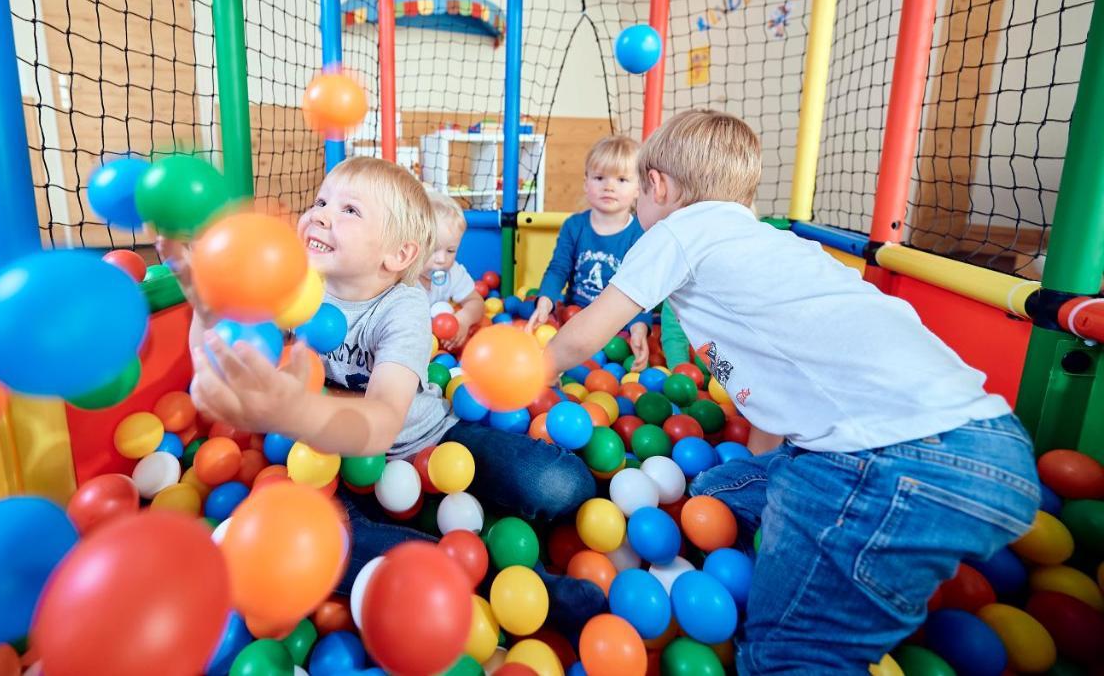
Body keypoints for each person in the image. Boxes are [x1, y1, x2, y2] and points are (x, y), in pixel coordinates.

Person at [544, 110, 1038, 672]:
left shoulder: (681, 229)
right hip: (994, 450)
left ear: (656, 186)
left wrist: (531, 375)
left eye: (637, 202)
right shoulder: (779, 246)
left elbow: (583, 336)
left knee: (781, 656)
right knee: (715, 491)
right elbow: (774, 394)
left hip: (890, 464)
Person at [169, 157, 604, 633]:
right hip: (333, 465)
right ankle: (497, 583)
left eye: (349, 210)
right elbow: (214, 359)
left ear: (397, 255)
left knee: (563, 486)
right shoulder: (290, 290)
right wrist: (208, 306)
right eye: (319, 202)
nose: (320, 214)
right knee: (321, 543)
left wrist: (292, 411)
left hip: (431, 438)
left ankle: (467, 556)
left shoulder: (403, 307)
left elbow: (383, 422)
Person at [525, 135, 651, 362]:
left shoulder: (639, 235)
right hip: (574, 318)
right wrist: (545, 301)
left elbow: (641, 288)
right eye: (600, 177)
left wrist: (639, 328)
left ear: (638, 189)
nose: (609, 186)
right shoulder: (574, 226)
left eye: (622, 180)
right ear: (586, 183)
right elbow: (558, 269)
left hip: (616, 325)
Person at [420, 189, 485, 351]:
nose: (442, 259)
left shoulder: (453, 273)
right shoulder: (402, 276)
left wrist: (463, 319)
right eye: (433, 249)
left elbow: (476, 302)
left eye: (450, 251)